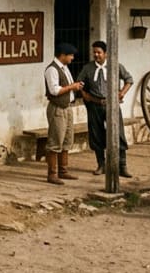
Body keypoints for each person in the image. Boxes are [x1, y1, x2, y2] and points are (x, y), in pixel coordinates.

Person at [76, 40, 134, 177]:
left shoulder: (115, 66)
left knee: (118, 133)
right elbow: (79, 84)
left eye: (99, 52)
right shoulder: (88, 68)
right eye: (94, 52)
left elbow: (129, 79)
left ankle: (122, 165)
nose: (96, 55)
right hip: (95, 105)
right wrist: (85, 96)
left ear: (106, 54)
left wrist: (122, 93)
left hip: (112, 105)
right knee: (96, 134)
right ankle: (101, 164)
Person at [43, 42, 84, 185]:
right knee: (55, 140)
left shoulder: (64, 68)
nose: (72, 58)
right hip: (57, 108)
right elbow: (54, 90)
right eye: (70, 55)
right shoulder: (52, 70)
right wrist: (72, 87)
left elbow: (67, 86)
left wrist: (75, 86)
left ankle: (63, 170)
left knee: (67, 139)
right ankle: (52, 174)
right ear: (63, 55)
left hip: (67, 107)